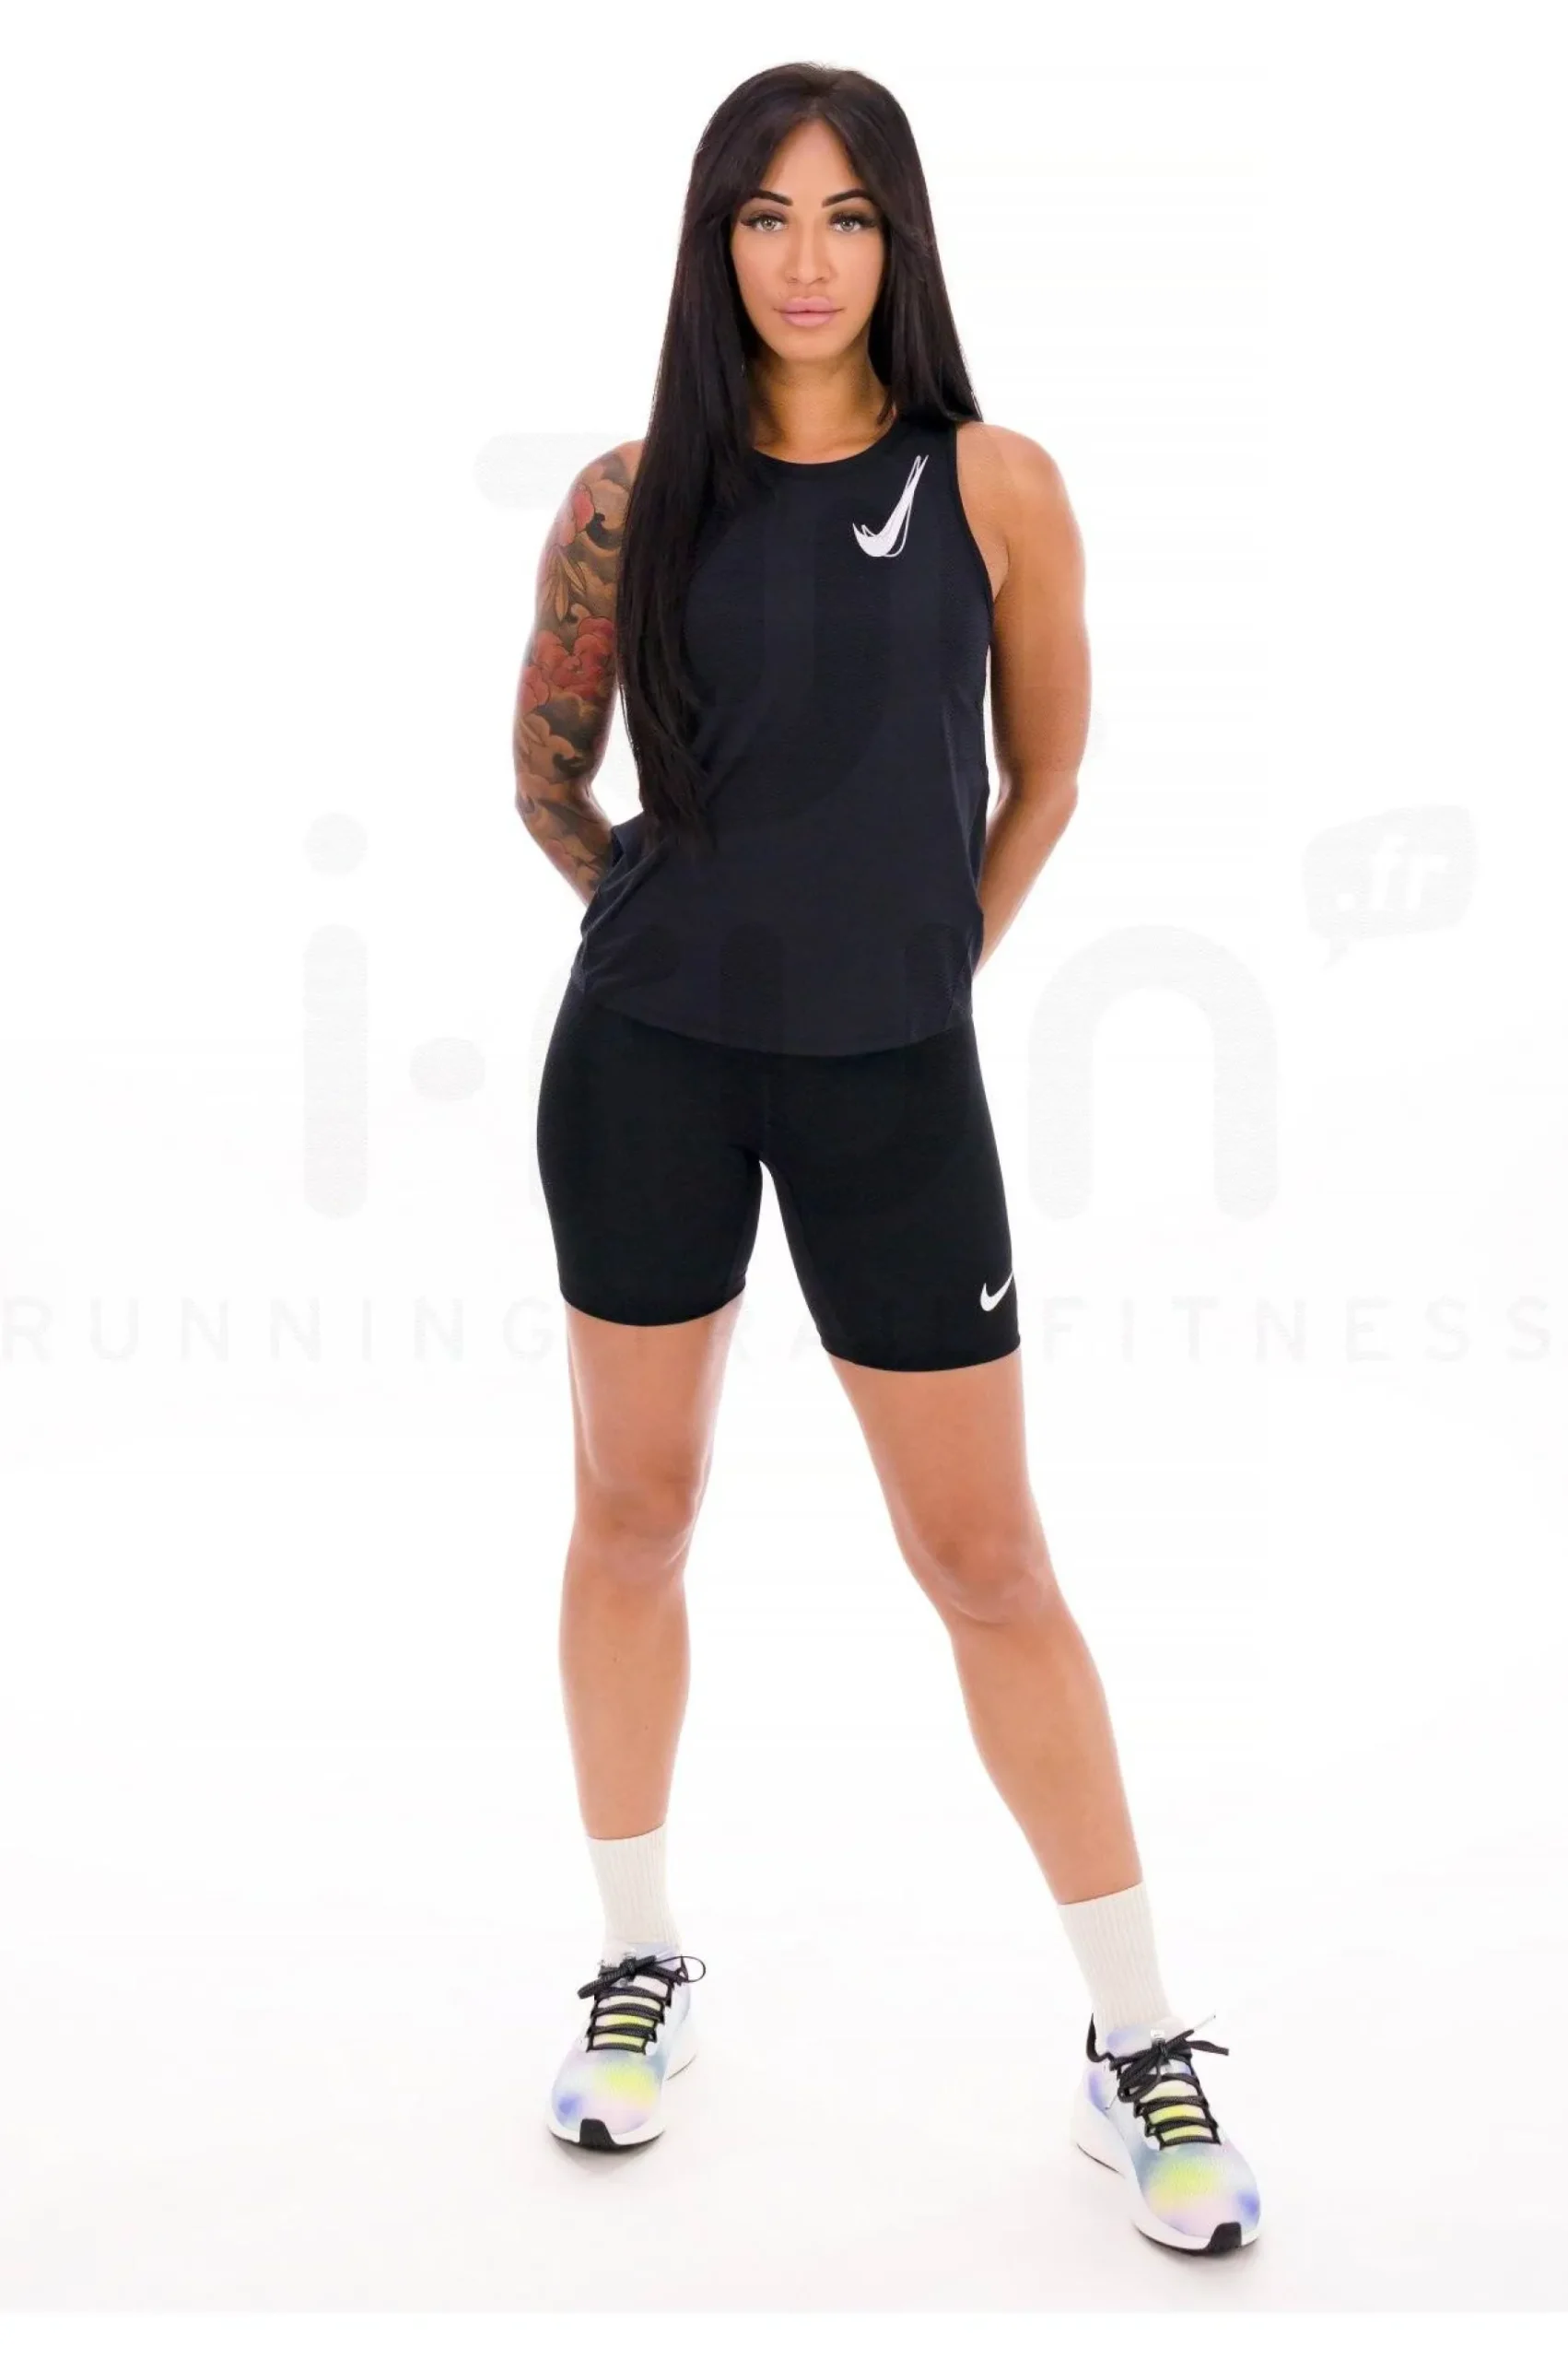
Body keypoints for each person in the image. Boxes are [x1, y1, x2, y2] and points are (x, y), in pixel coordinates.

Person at [511, 64, 1261, 2256]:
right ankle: (635, 1959)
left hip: (888, 1080)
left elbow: (1045, 772)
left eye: (846, 215)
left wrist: (926, 960)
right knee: (631, 1511)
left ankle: (1136, 2037)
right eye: (764, 216)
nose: (806, 257)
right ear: (713, 243)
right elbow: (547, 774)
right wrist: (662, 930)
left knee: (986, 1560)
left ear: (900, 242)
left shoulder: (993, 485)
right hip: (645, 1063)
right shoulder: (626, 495)